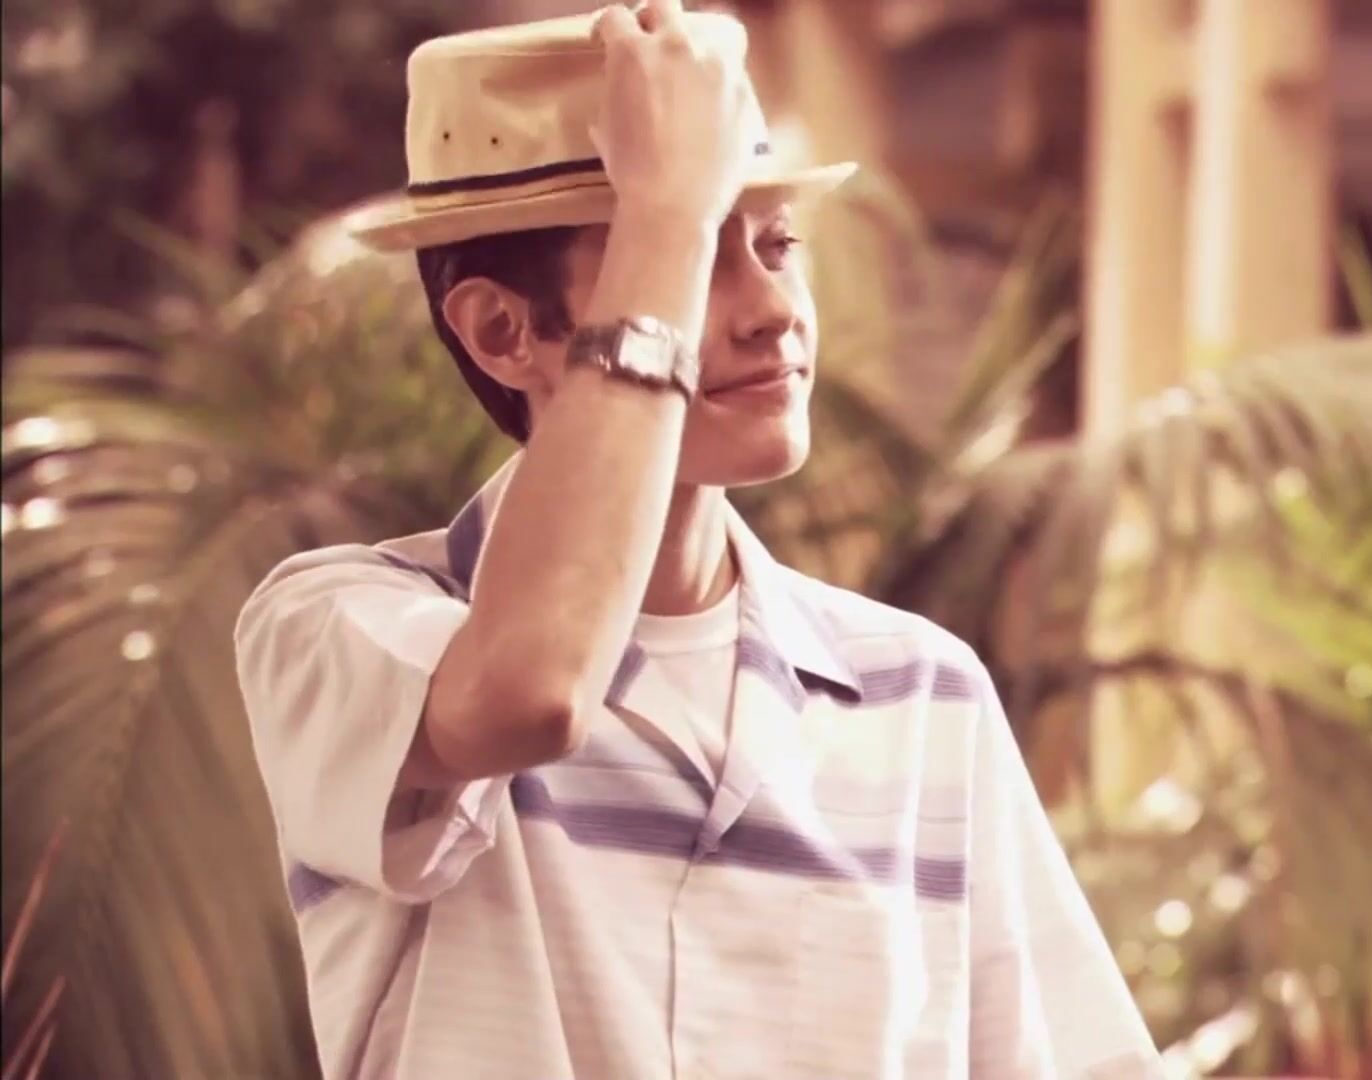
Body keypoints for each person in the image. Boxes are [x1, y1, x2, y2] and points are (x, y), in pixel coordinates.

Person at [233, 3, 1161, 1078]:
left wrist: (668, 221)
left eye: (777, 245)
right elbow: (531, 690)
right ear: (502, 331)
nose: (773, 310)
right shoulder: (336, 629)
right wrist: (664, 211)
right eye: (697, 257)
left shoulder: (921, 695)